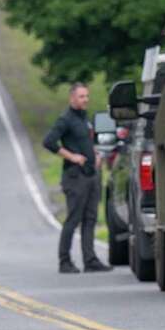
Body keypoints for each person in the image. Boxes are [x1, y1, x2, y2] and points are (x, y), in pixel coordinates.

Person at [43, 82, 111, 274]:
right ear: (72, 98)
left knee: (90, 218)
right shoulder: (65, 119)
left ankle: (90, 260)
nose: (85, 100)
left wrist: (95, 154)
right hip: (75, 176)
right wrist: (72, 156)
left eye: (86, 96)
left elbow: (86, 142)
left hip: (91, 174)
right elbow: (48, 141)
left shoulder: (84, 119)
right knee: (73, 219)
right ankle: (64, 261)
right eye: (81, 96)